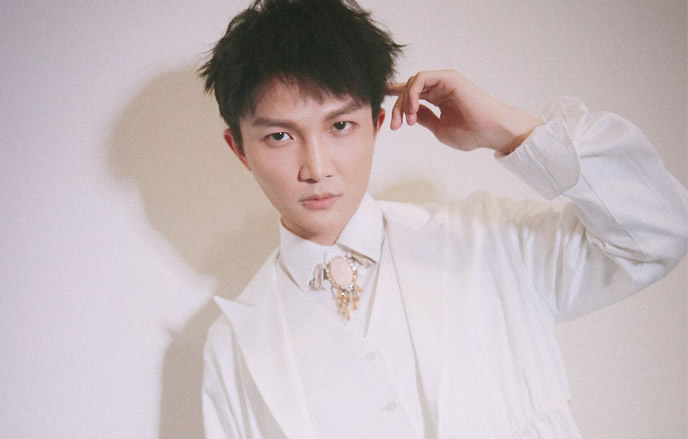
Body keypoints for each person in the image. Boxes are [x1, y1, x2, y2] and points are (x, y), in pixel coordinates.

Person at [198, 0, 688, 437]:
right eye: (280, 137)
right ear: (239, 149)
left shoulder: (488, 242)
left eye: (340, 125)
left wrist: (505, 130)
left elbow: (659, 231)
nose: (317, 168)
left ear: (376, 122)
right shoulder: (234, 349)